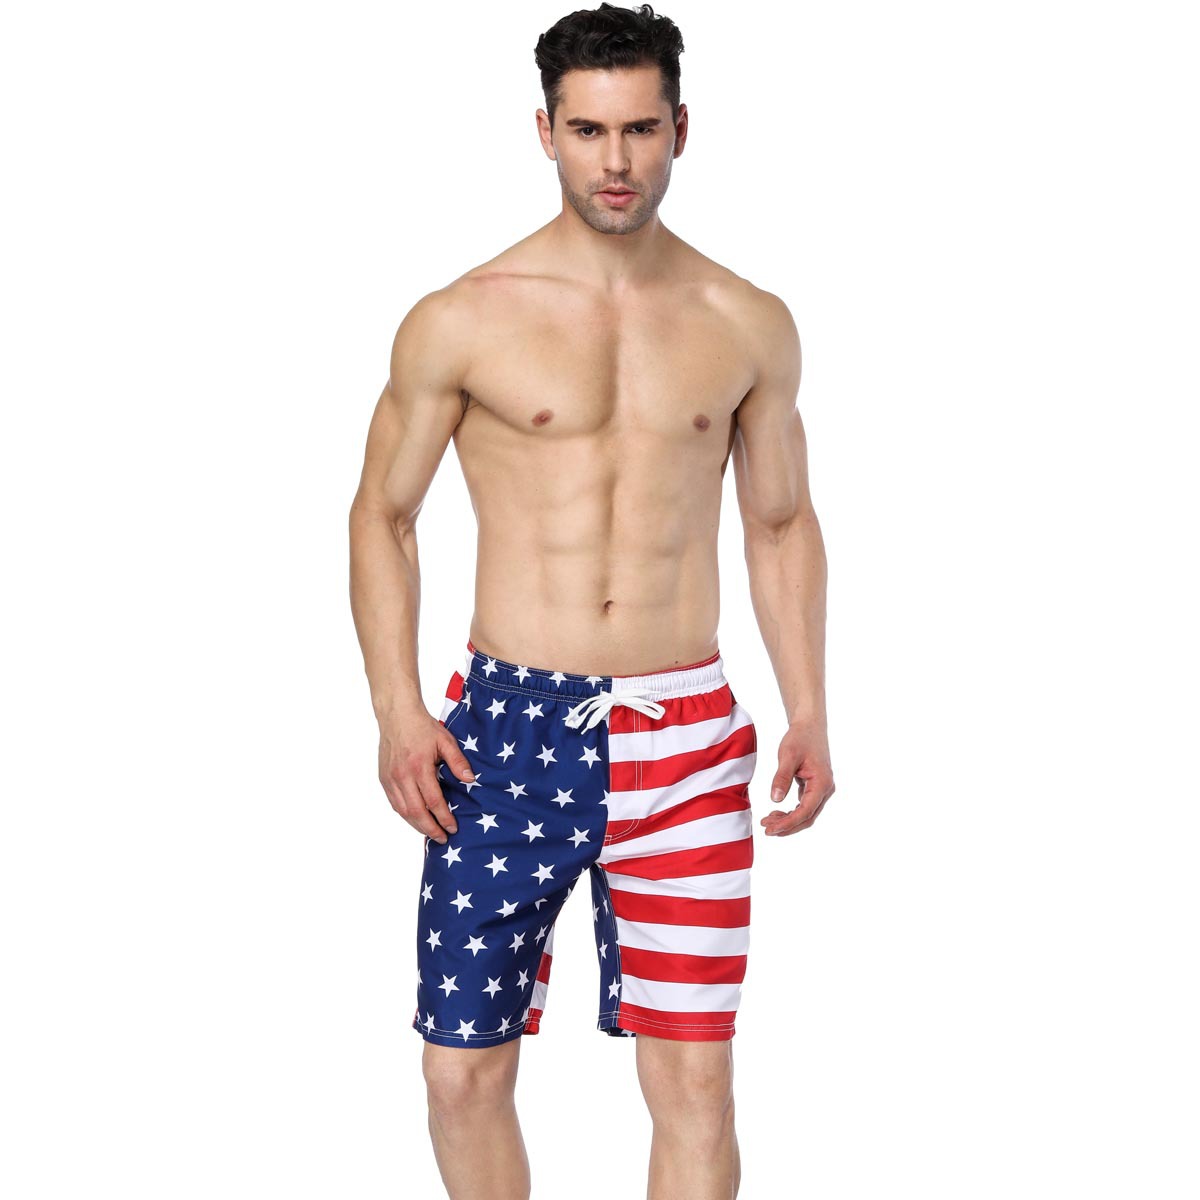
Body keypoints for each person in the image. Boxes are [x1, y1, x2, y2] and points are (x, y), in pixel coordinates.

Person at [348, 4, 833, 1197]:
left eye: (639, 130)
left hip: (685, 739)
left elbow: (779, 522)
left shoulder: (746, 321)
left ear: (681, 129)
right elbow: (382, 516)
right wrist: (399, 710)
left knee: (697, 1083)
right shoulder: (462, 318)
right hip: (503, 735)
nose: (615, 161)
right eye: (587, 131)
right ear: (545, 132)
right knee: (461, 1072)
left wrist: (810, 708)